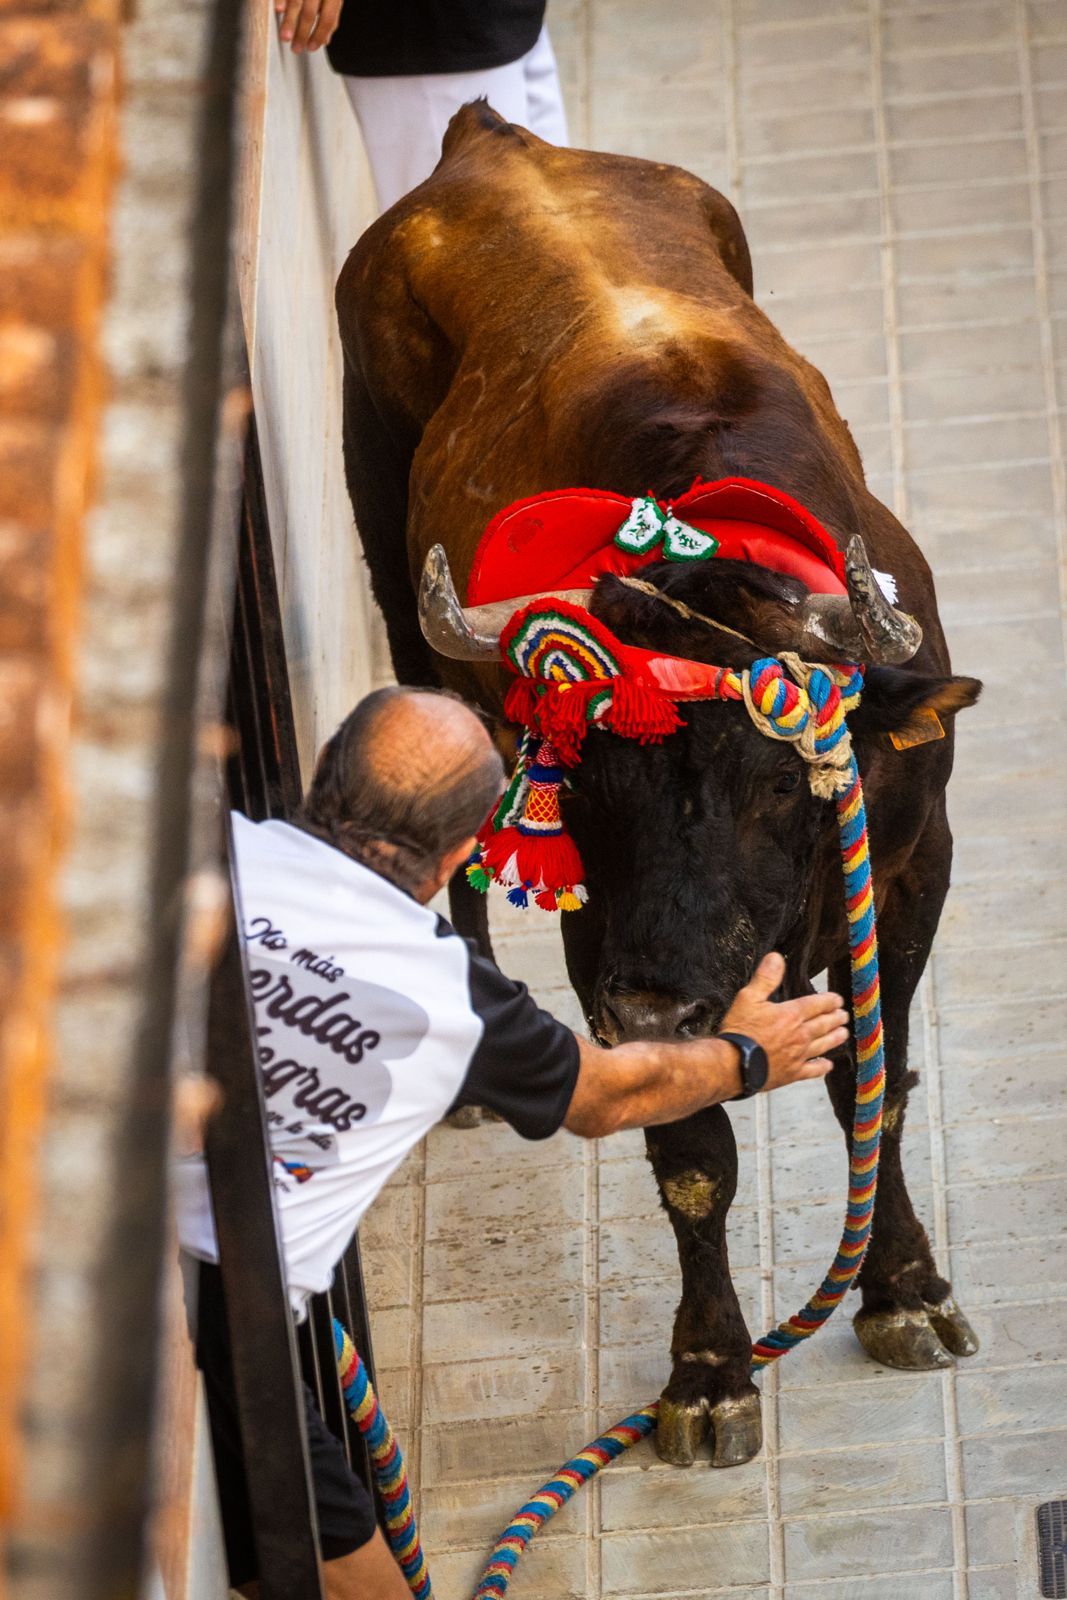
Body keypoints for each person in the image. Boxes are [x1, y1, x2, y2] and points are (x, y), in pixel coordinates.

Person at [176, 686, 848, 1600]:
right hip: (223, 1313)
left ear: (328, 767)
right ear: (464, 851)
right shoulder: (453, 997)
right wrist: (745, 1057)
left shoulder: (197, 845)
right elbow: (611, 1094)